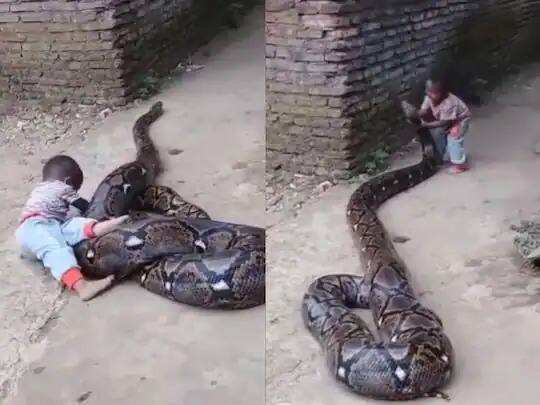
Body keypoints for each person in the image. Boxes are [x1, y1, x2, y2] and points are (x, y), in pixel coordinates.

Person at [15, 155, 128, 301]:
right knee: (57, 249)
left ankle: (99, 227)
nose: (74, 191)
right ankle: (81, 287)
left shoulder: (40, 189)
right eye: (75, 187)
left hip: (46, 226)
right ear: (67, 181)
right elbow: (82, 205)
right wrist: (97, 210)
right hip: (35, 227)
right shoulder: (62, 187)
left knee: (72, 227)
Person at [406, 74, 472, 174]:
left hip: (459, 120)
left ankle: (461, 165)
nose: (429, 94)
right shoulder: (429, 97)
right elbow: (424, 110)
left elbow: (443, 122)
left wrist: (426, 125)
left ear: (442, 92)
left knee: (454, 137)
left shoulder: (449, 103)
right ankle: (441, 157)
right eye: (427, 90)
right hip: (446, 119)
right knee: (438, 135)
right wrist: (415, 114)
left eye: (433, 92)